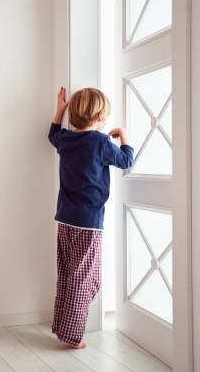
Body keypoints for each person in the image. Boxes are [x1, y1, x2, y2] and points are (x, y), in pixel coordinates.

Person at [48, 86, 133, 349]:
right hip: (88, 223)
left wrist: (59, 110)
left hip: (65, 218)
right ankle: (73, 335)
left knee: (69, 275)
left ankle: (63, 326)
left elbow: (52, 135)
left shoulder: (66, 139)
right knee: (84, 279)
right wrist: (124, 136)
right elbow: (126, 161)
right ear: (99, 119)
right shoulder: (100, 142)